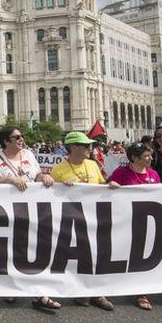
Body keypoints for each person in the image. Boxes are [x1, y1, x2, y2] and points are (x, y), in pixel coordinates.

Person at [0, 126, 59, 311]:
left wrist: (44, 177)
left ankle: (40, 293)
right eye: (16, 137)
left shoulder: (29, 155)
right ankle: (12, 287)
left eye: (21, 136)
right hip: (7, 213)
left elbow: (37, 174)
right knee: (11, 250)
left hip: (32, 211)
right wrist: (9, 180)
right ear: (6, 141)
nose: (21, 139)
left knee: (35, 250)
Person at [50, 131, 119, 311]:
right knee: (77, 256)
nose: (91, 149)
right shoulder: (58, 170)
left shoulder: (92, 165)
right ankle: (80, 292)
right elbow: (49, 197)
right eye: (86, 146)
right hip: (72, 220)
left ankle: (97, 292)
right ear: (74, 147)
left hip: (95, 218)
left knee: (97, 254)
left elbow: (102, 184)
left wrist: (110, 185)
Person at [107, 142, 161, 310]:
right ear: (134, 158)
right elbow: (103, 191)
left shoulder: (154, 174)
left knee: (143, 258)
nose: (150, 158)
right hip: (124, 223)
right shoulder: (121, 173)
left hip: (148, 224)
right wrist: (111, 186)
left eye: (150, 155)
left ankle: (141, 292)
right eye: (146, 156)